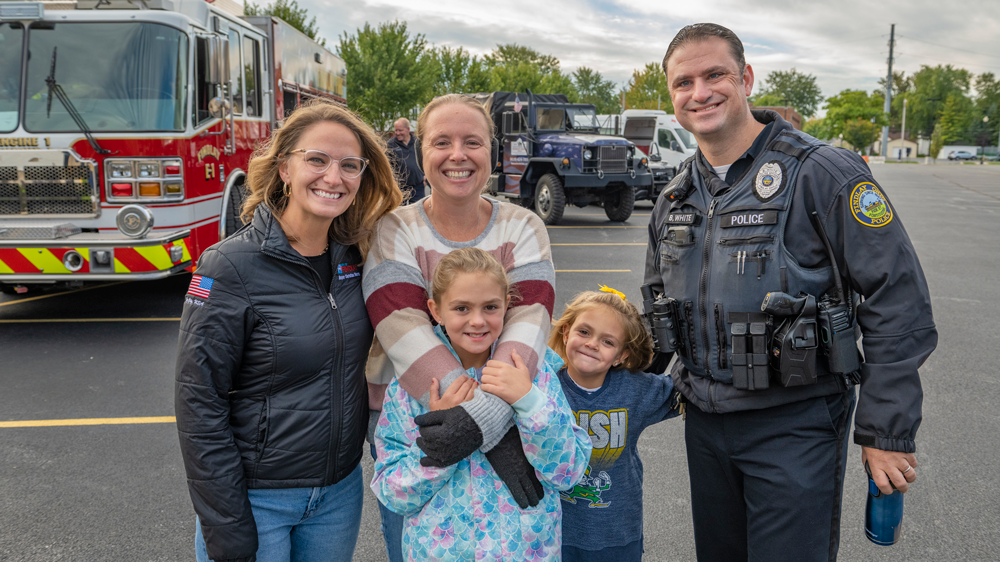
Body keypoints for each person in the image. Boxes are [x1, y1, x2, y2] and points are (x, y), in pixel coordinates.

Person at [644, 23, 937, 561]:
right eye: (683, 82)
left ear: (746, 78)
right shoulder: (675, 195)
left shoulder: (823, 173)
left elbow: (899, 302)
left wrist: (884, 431)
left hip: (794, 423)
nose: (700, 92)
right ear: (672, 96)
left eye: (715, 75)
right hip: (705, 422)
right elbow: (658, 307)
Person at [174, 99, 402, 562]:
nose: (333, 177)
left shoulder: (358, 257)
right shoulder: (229, 265)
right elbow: (198, 399)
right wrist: (225, 521)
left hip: (338, 494)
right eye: (316, 159)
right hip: (258, 500)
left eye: (349, 165)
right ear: (284, 168)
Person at [362, 93, 556, 562]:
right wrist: (484, 423)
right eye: (441, 141)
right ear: (421, 151)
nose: (457, 155)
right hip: (415, 420)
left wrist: (481, 421)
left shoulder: (524, 225)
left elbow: (529, 324)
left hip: (511, 415)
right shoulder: (395, 229)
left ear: (492, 150)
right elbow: (402, 328)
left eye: (473, 141)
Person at [371, 247, 591, 561]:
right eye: (461, 308)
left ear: (507, 306)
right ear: (436, 310)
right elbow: (393, 493)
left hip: (527, 550)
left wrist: (529, 403)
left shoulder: (531, 370)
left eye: (490, 307)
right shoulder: (411, 385)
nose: (477, 321)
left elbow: (569, 472)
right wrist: (439, 446)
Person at [550, 288, 681, 562]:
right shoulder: (543, 385)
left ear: (622, 355)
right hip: (553, 533)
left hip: (617, 535)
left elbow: (687, 387)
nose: (592, 344)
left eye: (607, 341)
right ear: (566, 333)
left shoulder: (636, 390)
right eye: (584, 332)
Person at [387, 117, 425, 203]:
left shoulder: (417, 142)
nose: (397, 133)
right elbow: (387, 165)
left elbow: (424, 159)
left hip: (417, 186)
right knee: (399, 212)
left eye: (400, 130)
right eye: (396, 130)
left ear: (408, 129)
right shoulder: (390, 145)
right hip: (399, 187)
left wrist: (424, 176)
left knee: (418, 212)